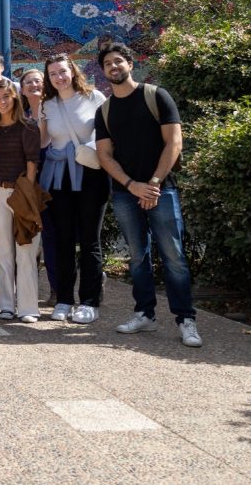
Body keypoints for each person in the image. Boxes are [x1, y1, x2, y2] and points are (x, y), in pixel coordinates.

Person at [95, 43, 201, 347]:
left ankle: (186, 319)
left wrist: (153, 183)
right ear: (103, 72)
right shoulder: (105, 110)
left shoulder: (156, 96)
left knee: (174, 256)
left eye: (118, 62)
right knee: (138, 257)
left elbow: (174, 143)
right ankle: (145, 314)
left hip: (162, 189)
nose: (114, 67)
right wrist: (133, 186)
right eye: (108, 64)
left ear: (130, 63)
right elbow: (105, 156)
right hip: (126, 192)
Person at [40, 54, 108, 324]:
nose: (59, 77)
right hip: (60, 177)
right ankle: (64, 299)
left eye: (62, 71)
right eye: (53, 73)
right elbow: (44, 141)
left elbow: (106, 134)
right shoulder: (48, 104)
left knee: (90, 239)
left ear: (72, 71)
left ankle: (89, 302)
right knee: (63, 239)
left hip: (91, 173)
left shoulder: (95, 97)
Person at [0, 79, 42, 323]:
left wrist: (25, 194)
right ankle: (6, 305)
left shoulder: (28, 127)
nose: (2, 101)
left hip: (22, 193)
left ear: (16, 98)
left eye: (6, 96)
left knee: (26, 250)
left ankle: (28, 308)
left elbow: (32, 164)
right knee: (3, 251)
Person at [20, 68, 58, 306]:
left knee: (60, 234)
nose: (34, 85)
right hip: (30, 183)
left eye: (38, 81)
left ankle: (65, 285)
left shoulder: (57, 110)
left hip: (58, 179)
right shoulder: (21, 118)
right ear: (22, 90)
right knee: (41, 235)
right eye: (28, 82)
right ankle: (54, 288)